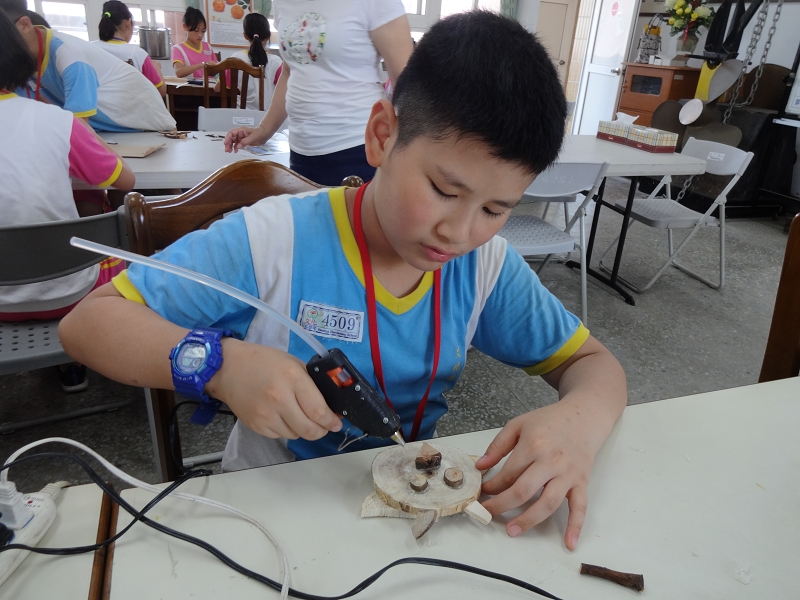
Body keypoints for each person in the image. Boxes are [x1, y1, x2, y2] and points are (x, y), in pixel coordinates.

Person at [60, 11, 627, 550]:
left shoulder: (484, 267)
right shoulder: (273, 241)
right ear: (382, 135)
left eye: (495, 208)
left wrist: (577, 426)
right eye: (443, 191)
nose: (458, 232)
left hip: (409, 515)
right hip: (273, 508)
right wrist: (222, 368)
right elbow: (89, 323)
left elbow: (594, 366)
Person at [0, 10, 135, 391]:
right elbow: (126, 180)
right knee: (110, 220)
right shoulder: (55, 120)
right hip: (69, 293)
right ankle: (80, 352)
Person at [223, 0, 414, 186]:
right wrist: (264, 130)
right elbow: (291, 71)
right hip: (300, 152)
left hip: (358, 149)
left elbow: (409, 85)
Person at [1, 1, 175, 132]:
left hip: (143, 127)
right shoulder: (18, 59)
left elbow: (77, 131)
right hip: (101, 131)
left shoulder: (69, 56)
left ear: (24, 24)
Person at [93, 0, 166, 98]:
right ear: (128, 23)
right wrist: (156, 67)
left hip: (95, 107)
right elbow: (160, 92)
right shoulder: (138, 54)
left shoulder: (90, 48)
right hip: (129, 107)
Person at [215, 13, 282, 111]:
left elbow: (218, 89)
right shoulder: (277, 62)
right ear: (268, 37)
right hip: (266, 118)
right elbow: (285, 91)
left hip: (241, 117)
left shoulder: (235, 59)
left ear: (245, 36)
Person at [172, 7, 218, 79]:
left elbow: (217, 67)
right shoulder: (178, 49)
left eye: (203, 31)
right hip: (191, 86)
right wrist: (203, 64)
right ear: (185, 27)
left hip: (210, 85)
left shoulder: (207, 46)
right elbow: (179, 72)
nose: (200, 35)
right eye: (196, 30)